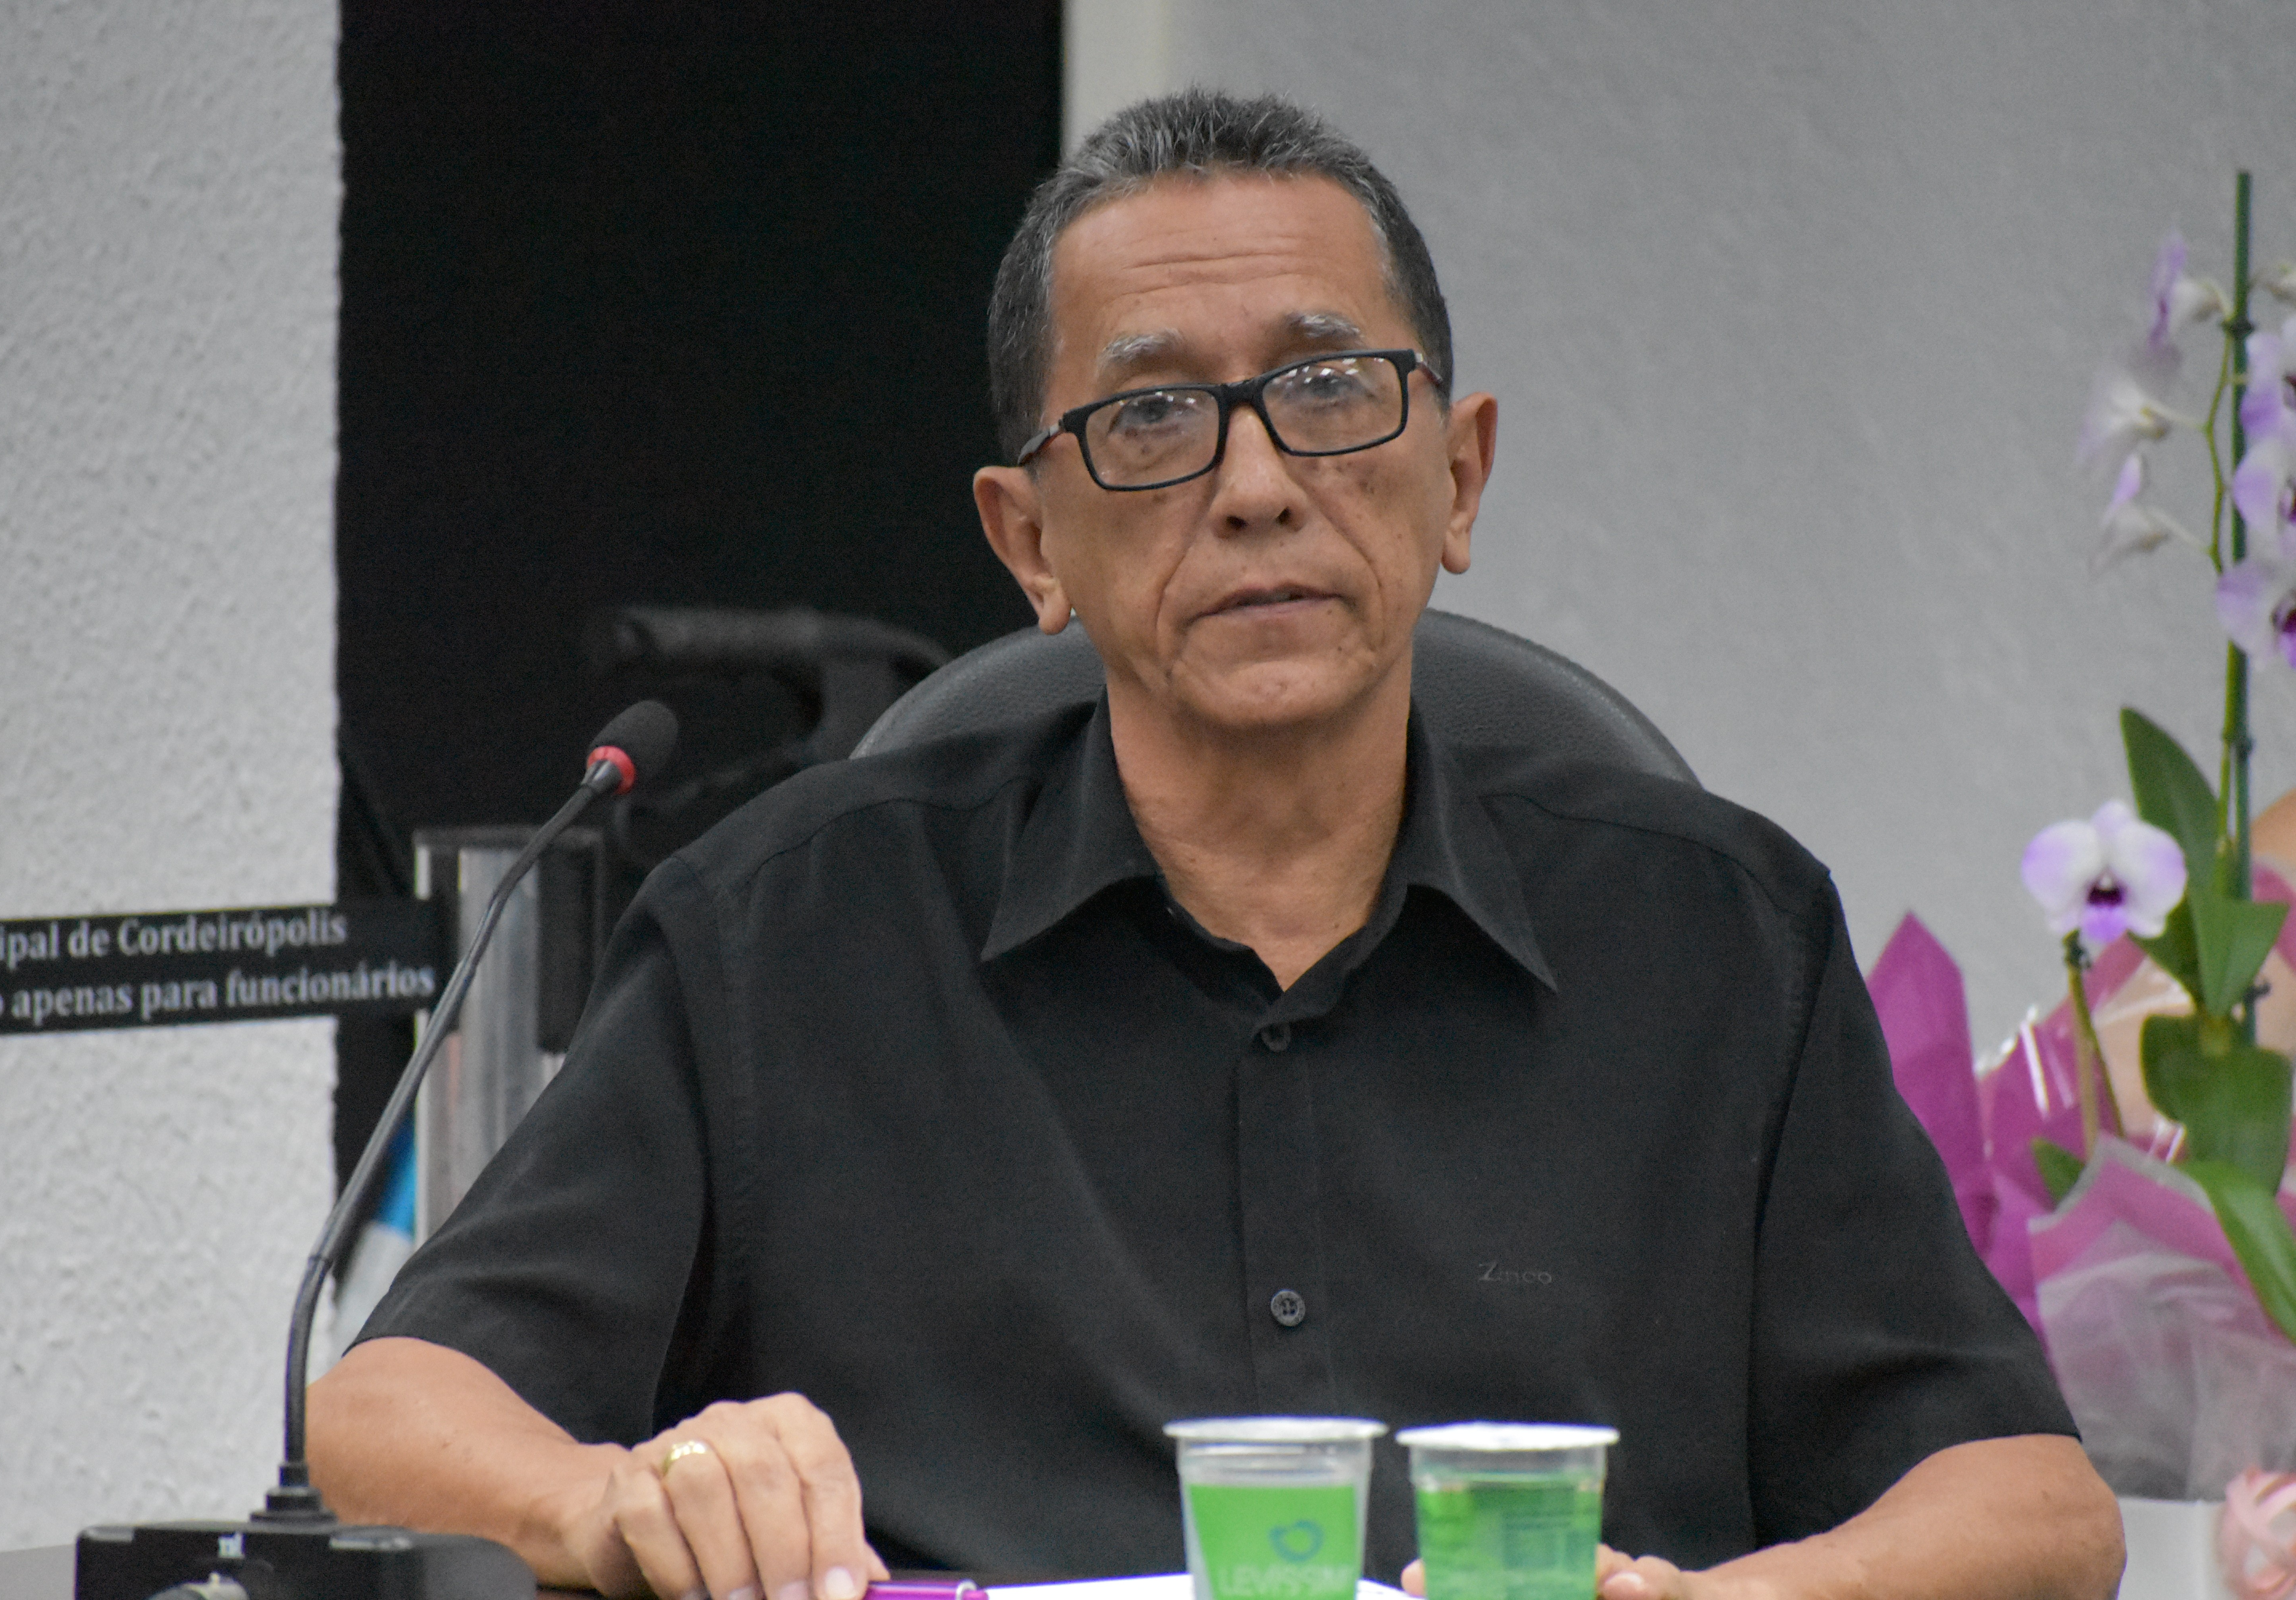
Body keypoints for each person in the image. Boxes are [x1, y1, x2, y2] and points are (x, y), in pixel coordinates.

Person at [310, 90, 2123, 1600]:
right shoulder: (785, 939)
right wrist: (619, 1501)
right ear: (1030, 544)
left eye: (1329, 389)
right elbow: (385, 1412)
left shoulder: (1718, 942)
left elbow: (2038, 1508)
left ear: (1459, 476)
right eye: (1154, 416)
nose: (1257, 485)